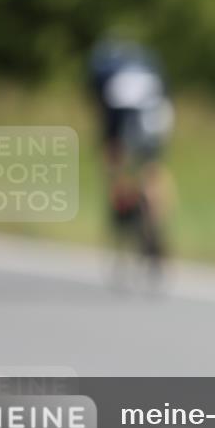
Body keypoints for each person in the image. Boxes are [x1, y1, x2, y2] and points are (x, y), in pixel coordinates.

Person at [88, 38, 175, 267]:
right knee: (153, 170)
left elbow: (107, 121)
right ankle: (155, 220)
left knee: (114, 160)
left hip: (124, 118)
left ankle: (122, 204)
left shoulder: (104, 73)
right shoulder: (149, 65)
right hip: (156, 116)